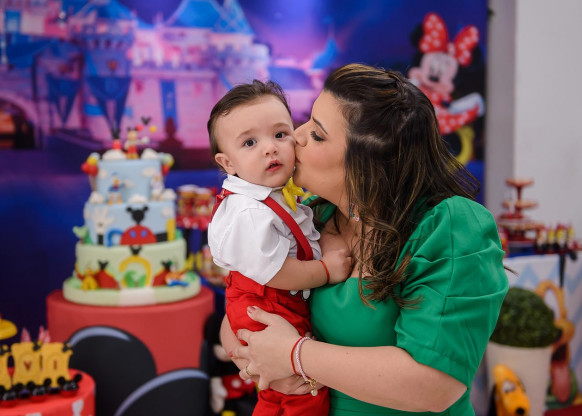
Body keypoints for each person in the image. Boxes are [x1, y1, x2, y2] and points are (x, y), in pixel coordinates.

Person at [222, 64, 509, 415]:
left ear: (367, 163)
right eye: (307, 121)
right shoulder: (313, 216)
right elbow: (241, 309)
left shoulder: (449, 226)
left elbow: (434, 385)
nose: (295, 136)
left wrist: (294, 356)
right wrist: (264, 365)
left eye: (317, 134)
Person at [207, 80, 352, 416]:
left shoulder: (274, 196)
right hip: (268, 302)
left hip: (268, 301)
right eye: (250, 142)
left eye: (280, 134)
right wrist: (325, 270)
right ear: (228, 163)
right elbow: (276, 272)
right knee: (304, 394)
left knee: (276, 398)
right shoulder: (248, 211)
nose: (270, 149)